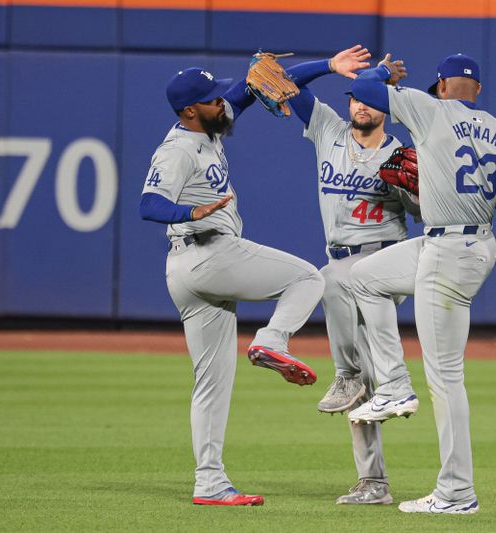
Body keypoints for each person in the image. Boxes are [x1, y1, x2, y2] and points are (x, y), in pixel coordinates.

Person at [347, 53, 496, 514]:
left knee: (447, 377)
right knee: (364, 278)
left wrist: (383, 75)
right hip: (471, 244)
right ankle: (392, 384)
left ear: (443, 86)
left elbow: (365, 92)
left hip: (447, 253)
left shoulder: (429, 108)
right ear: (479, 92)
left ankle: (456, 493)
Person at [139, 67, 326, 506]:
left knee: (212, 383)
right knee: (308, 277)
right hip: (207, 253)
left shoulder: (209, 126)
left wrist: (326, 68)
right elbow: (148, 205)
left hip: (189, 269)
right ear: (189, 111)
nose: (222, 103)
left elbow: (251, 88)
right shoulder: (178, 149)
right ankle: (271, 340)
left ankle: (210, 483)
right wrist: (190, 214)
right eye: (211, 99)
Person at [275, 46, 420, 505]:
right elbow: (280, 81)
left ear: (387, 107)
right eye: (354, 96)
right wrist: (329, 66)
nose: (359, 105)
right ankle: (373, 480)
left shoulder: (402, 153)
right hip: (341, 257)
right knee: (367, 365)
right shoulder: (328, 130)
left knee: (330, 280)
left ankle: (347, 374)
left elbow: (424, 213)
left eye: (369, 98)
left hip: (382, 259)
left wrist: (412, 193)